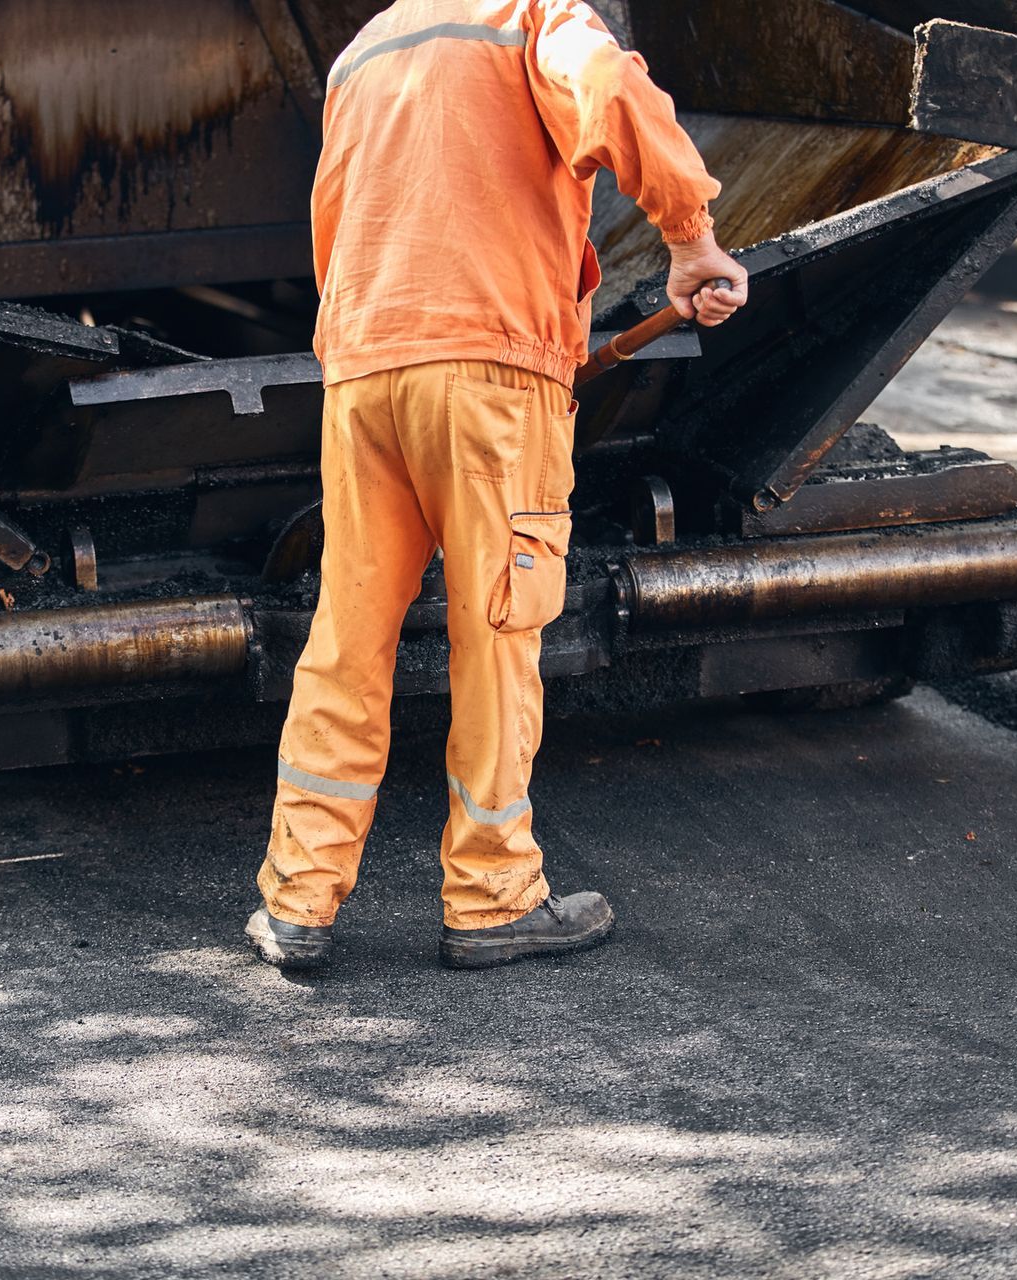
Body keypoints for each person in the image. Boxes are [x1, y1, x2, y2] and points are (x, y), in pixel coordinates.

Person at [245, 0, 748, 972]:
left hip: (362, 372)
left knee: (347, 639)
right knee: (499, 634)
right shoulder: (532, 16)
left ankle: (298, 899)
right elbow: (607, 86)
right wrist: (691, 238)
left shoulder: (363, 52)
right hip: (489, 378)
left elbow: (333, 226)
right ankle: (491, 895)